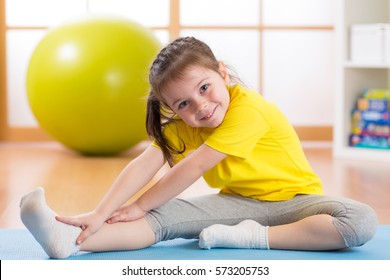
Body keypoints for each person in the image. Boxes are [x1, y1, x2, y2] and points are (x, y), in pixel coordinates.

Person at [20, 36, 378, 259]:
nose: (200, 106)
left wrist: (140, 202)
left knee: (360, 220)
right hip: (236, 202)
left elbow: (192, 168)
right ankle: (69, 241)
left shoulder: (248, 109)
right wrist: (103, 212)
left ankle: (252, 239)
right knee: (157, 218)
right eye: (183, 104)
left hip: (295, 204)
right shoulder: (189, 123)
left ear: (223, 73)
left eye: (204, 88)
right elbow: (145, 165)